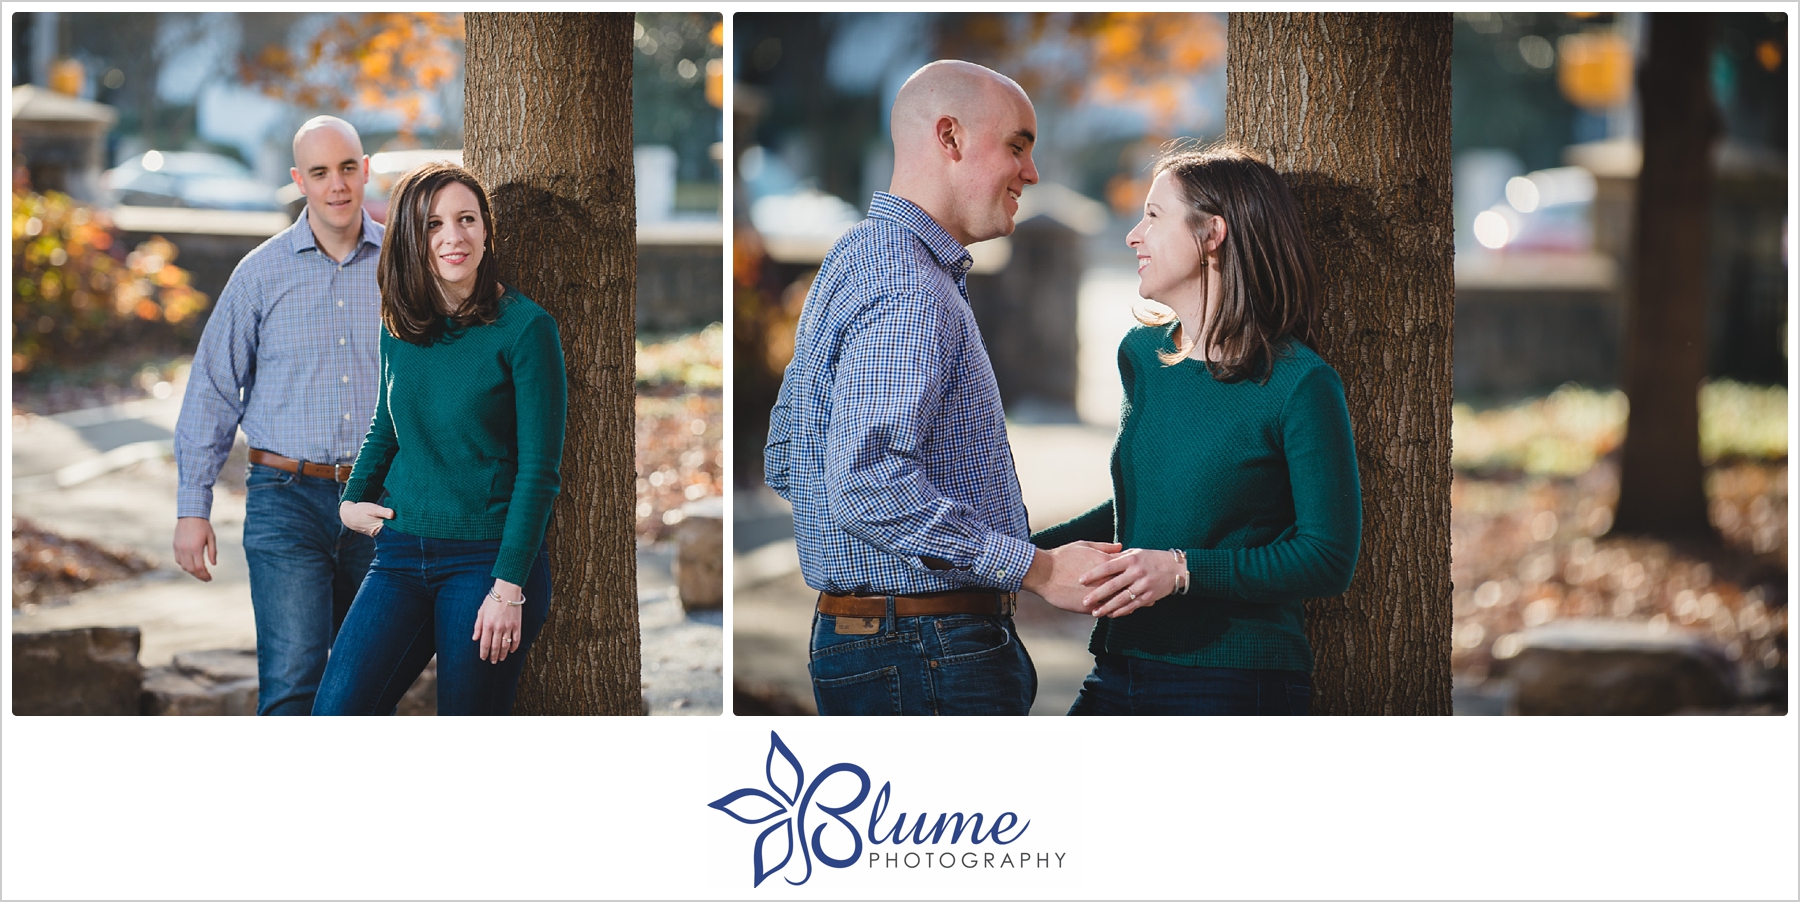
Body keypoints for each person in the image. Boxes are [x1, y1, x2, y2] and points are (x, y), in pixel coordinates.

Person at [765, 60, 1113, 716]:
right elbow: (868, 483)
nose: (1032, 174)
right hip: (924, 648)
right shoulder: (907, 287)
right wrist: (1034, 570)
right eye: (1017, 146)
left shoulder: (860, 255)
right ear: (949, 138)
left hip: (893, 641)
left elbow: (788, 458)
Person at [1031, 143, 1362, 716]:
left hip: (1233, 680)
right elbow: (1144, 508)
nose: (1134, 236)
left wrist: (1183, 570)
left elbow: (1327, 556)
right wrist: (1016, 559)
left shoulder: (1299, 383)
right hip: (1119, 665)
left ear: (1212, 234)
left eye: (1154, 217)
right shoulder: (1144, 356)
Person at [313, 163, 566, 716]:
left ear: (486, 230)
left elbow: (539, 471)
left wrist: (508, 589)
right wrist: (352, 500)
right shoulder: (400, 323)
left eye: (467, 219)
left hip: (486, 563)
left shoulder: (525, 329)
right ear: (410, 236)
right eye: (434, 225)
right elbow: (387, 421)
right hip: (400, 554)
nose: (454, 237)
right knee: (335, 714)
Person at [172, 116, 383, 716]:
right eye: (320, 172)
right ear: (300, 181)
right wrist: (193, 507)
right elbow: (213, 387)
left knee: (366, 689)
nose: (337, 185)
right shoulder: (260, 274)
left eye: (347, 168)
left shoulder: (403, 265)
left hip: (378, 503)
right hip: (284, 498)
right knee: (293, 683)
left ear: (364, 170)